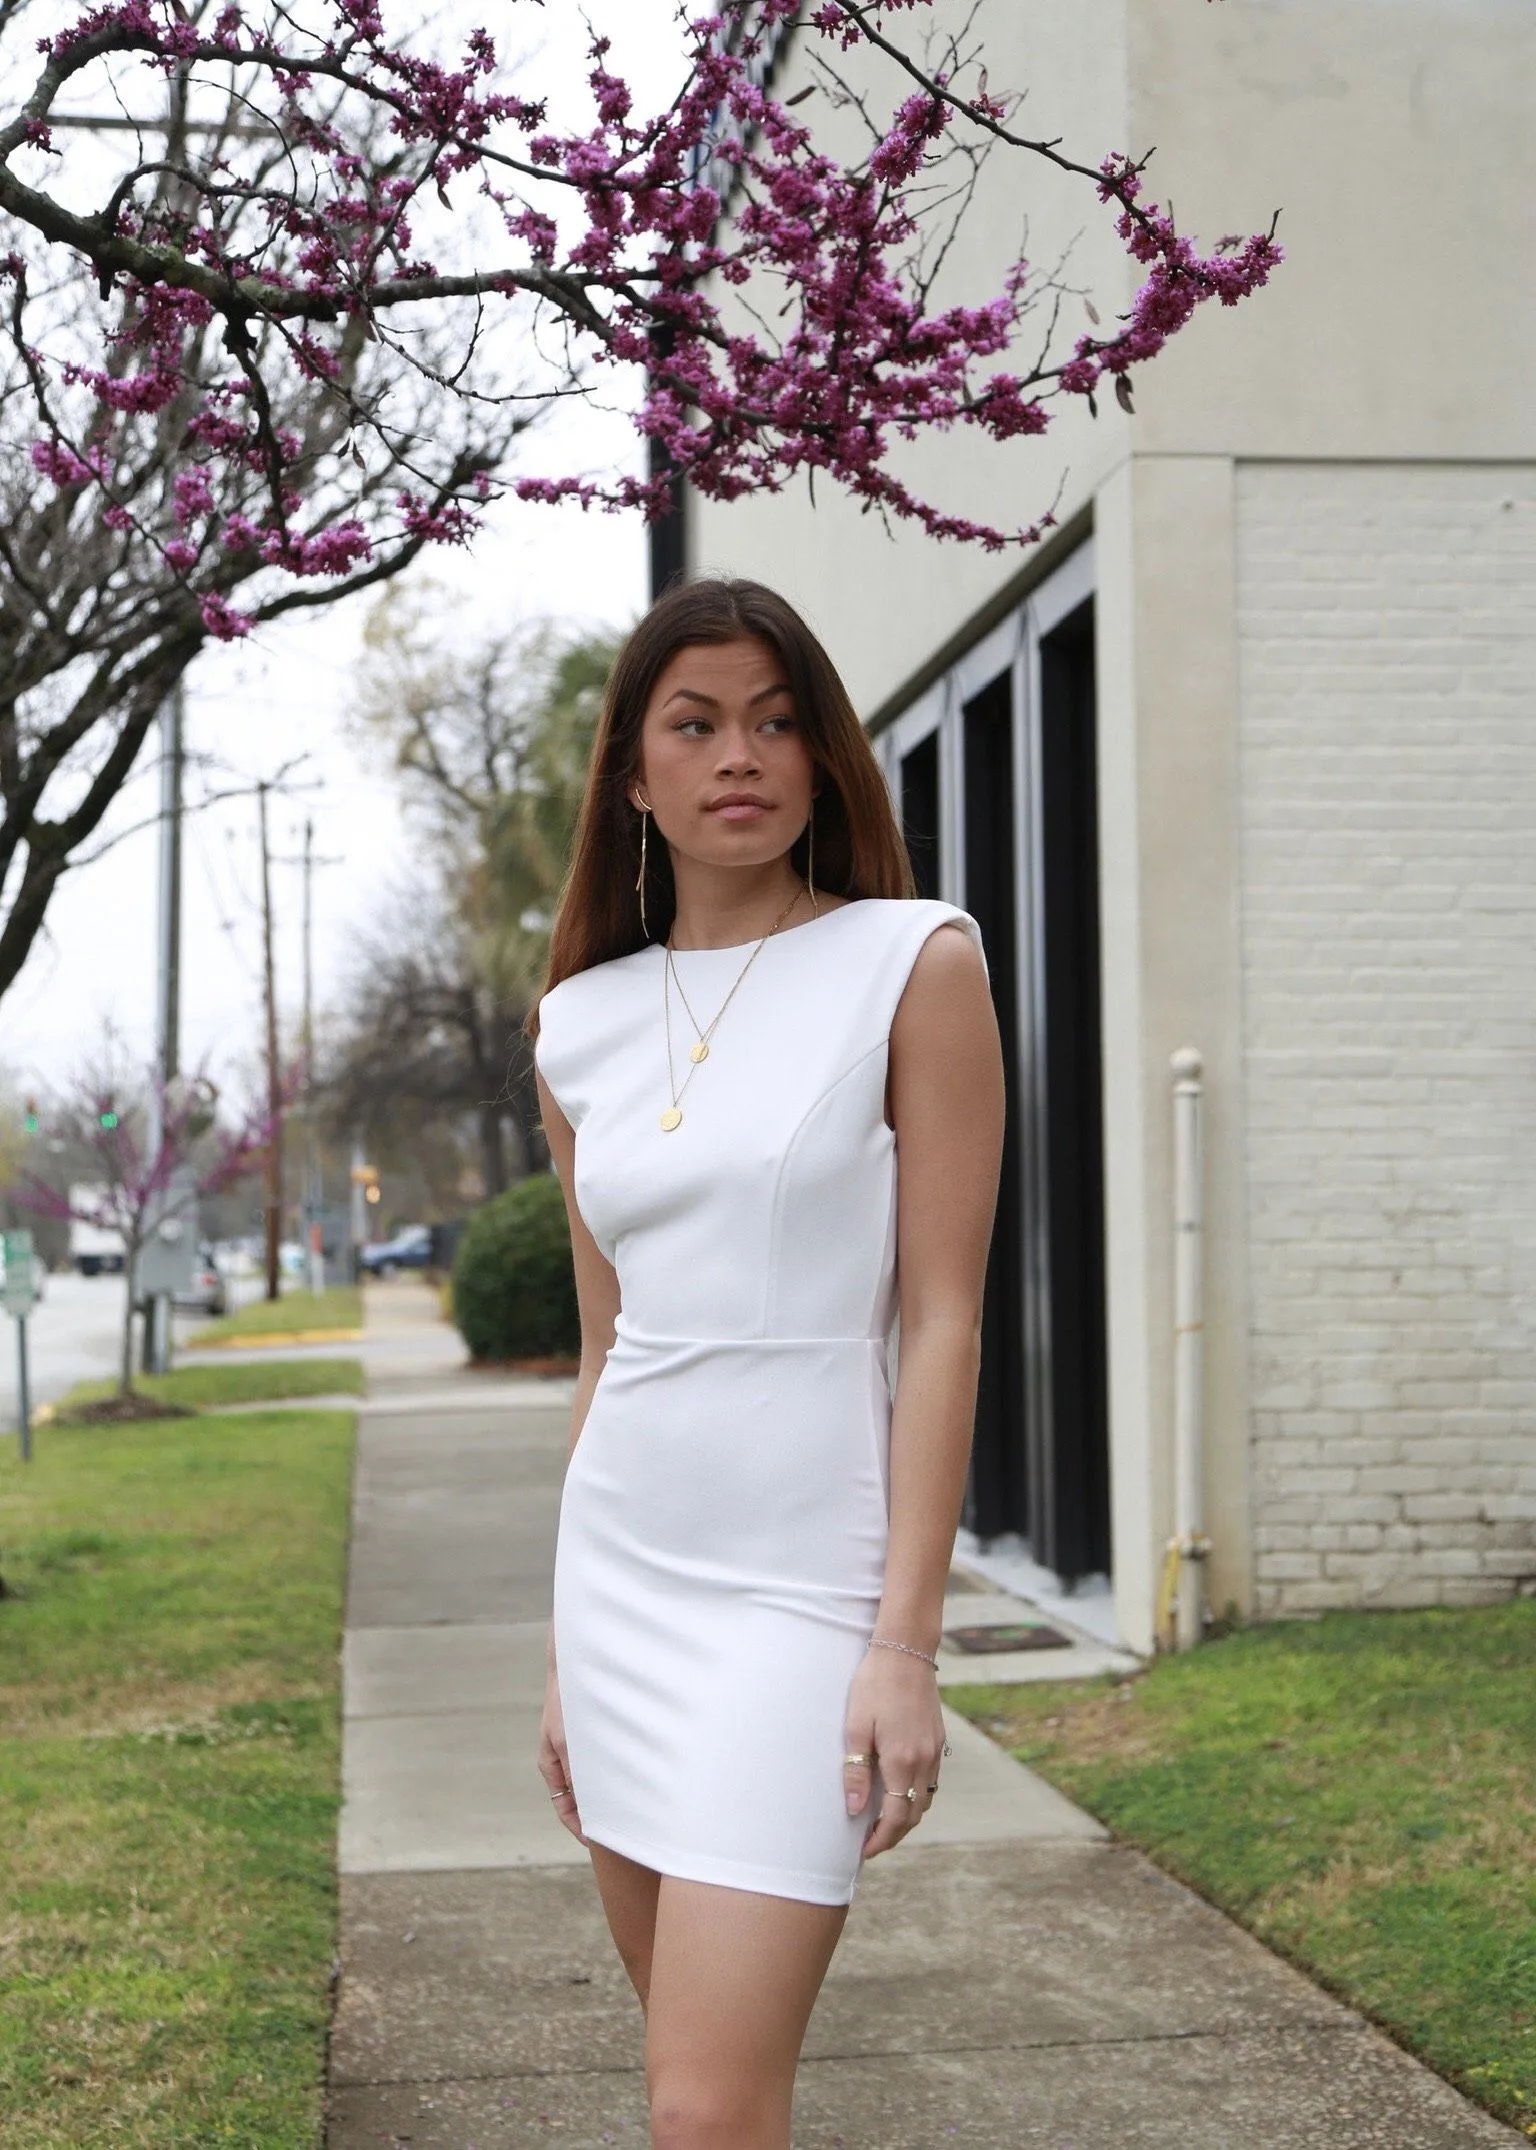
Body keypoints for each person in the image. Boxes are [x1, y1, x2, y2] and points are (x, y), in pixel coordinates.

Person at [530, 576, 1006, 2150]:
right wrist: (559, 1647)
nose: (742, 753)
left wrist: (905, 1645)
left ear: (821, 759)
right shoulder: (578, 1024)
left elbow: (942, 1314)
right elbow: (610, 1347)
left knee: (704, 2104)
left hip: (804, 1593)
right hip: (622, 1584)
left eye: (778, 719)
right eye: (697, 723)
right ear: (634, 775)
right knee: (699, 2105)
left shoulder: (911, 963)